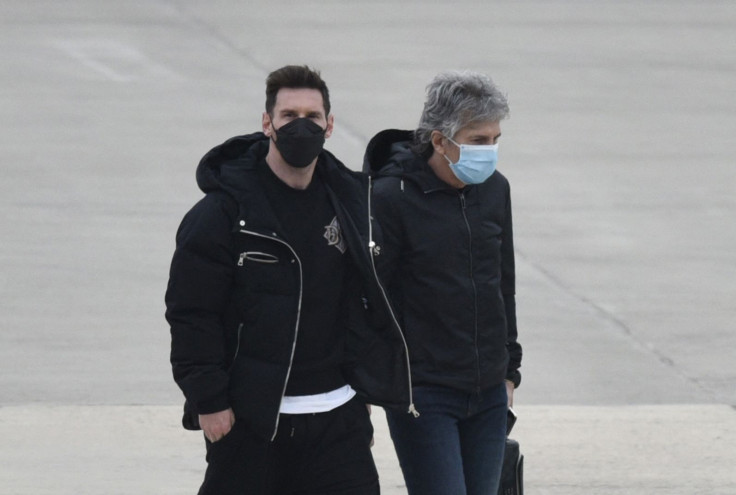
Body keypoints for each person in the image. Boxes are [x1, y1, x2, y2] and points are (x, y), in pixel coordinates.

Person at [165, 65, 412, 495]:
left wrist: (365, 391)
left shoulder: (352, 203)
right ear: (267, 123)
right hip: (251, 420)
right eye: (288, 115)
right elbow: (191, 313)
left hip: (338, 418)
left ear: (330, 125)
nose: (301, 126)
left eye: (313, 117)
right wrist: (210, 399)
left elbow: (370, 298)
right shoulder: (221, 214)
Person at [363, 70, 523, 495]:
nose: (488, 152)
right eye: (477, 140)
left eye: (494, 139)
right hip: (425, 394)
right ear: (439, 140)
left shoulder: (495, 190)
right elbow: (373, 298)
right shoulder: (390, 197)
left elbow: (501, 283)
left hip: (488, 391)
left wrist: (509, 370)